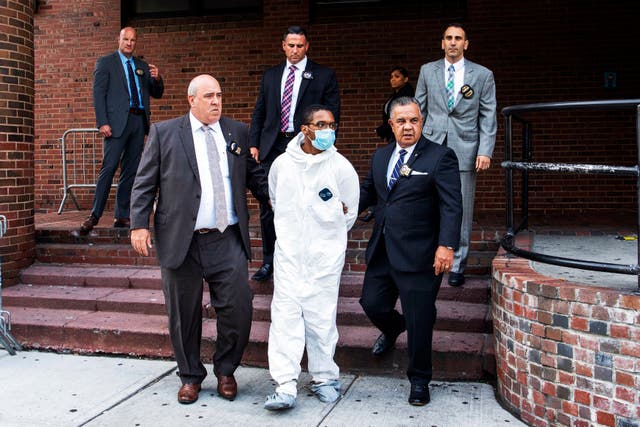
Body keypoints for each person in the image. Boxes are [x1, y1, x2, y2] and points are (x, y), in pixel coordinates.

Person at [129, 75, 270, 405]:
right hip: (182, 240)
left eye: (219, 95)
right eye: (209, 96)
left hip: (226, 237)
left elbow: (254, 176)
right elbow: (144, 182)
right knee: (183, 314)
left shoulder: (236, 131)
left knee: (238, 307)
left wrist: (280, 198)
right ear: (191, 100)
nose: (216, 101)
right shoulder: (165, 133)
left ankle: (226, 370)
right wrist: (139, 224)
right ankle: (190, 376)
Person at [358, 97, 462, 406]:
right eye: (401, 121)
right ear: (391, 124)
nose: (408, 126)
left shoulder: (440, 156)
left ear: (421, 121)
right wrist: (342, 205)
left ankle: (419, 379)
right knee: (371, 303)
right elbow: (368, 192)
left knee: (420, 319)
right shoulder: (380, 157)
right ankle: (393, 328)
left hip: (421, 254)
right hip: (383, 250)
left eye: (413, 120)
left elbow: (451, 205)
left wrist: (447, 245)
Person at [263, 106, 359, 411]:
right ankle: (284, 385)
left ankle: (324, 378)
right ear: (305, 129)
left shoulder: (341, 168)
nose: (328, 130)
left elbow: (350, 213)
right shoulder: (282, 165)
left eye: (332, 125)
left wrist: (325, 243)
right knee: (285, 318)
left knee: (321, 319)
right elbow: (276, 202)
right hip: (289, 256)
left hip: (325, 259)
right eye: (321, 125)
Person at [249, 25, 340, 282]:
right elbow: (260, 111)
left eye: (300, 45)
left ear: (307, 46)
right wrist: (254, 143)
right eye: (291, 45)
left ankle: (307, 260)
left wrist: (324, 145)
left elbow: (333, 114)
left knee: (308, 202)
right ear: (283, 45)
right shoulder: (271, 76)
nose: (295, 50)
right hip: (272, 146)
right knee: (269, 205)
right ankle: (269, 261)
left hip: (305, 146)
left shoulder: (323, 75)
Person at [414, 22, 497, 287]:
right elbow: (419, 110)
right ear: (442, 43)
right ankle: (429, 258)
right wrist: (413, 147)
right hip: (431, 146)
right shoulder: (428, 71)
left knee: (460, 207)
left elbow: (488, 114)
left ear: (466, 44)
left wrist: (485, 150)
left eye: (458, 38)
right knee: (427, 203)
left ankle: (458, 264)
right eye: (448, 38)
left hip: (465, 149)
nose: (452, 42)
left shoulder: (482, 75)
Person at [76, 27, 164, 236]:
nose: (129, 43)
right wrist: (102, 122)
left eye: (133, 40)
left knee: (130, 171)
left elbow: (157, 93)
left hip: (137, 122)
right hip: (115, 125)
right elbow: (99, 94)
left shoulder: (142, 66)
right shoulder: (106, 63)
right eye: (126, 39)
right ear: (119, 39)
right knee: (109, 168)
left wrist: (157, 79)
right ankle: (95, 214)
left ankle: (122, 215)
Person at [375, 66, 414, 142]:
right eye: (391, 77)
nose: (393, 79)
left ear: (405, 79)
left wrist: (384, 128)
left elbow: (402, 117)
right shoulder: (394, 95)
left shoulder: (407, 96)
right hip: (392, 133)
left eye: (397, 76)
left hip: (402, 134)